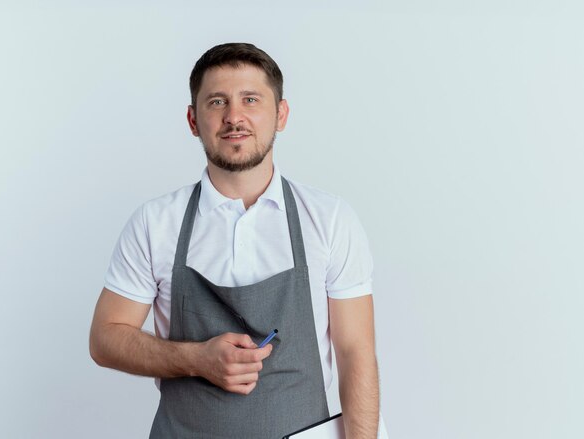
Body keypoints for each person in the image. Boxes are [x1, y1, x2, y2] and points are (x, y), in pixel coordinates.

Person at [89, 42, 379, 438]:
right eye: (217, 102)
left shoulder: (329, 220)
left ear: (281, 114)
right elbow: (106, 338)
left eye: (250, 99)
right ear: (193, 120)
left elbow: (355, 354)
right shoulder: (155, 223)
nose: (234, 116)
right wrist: (196, 358)